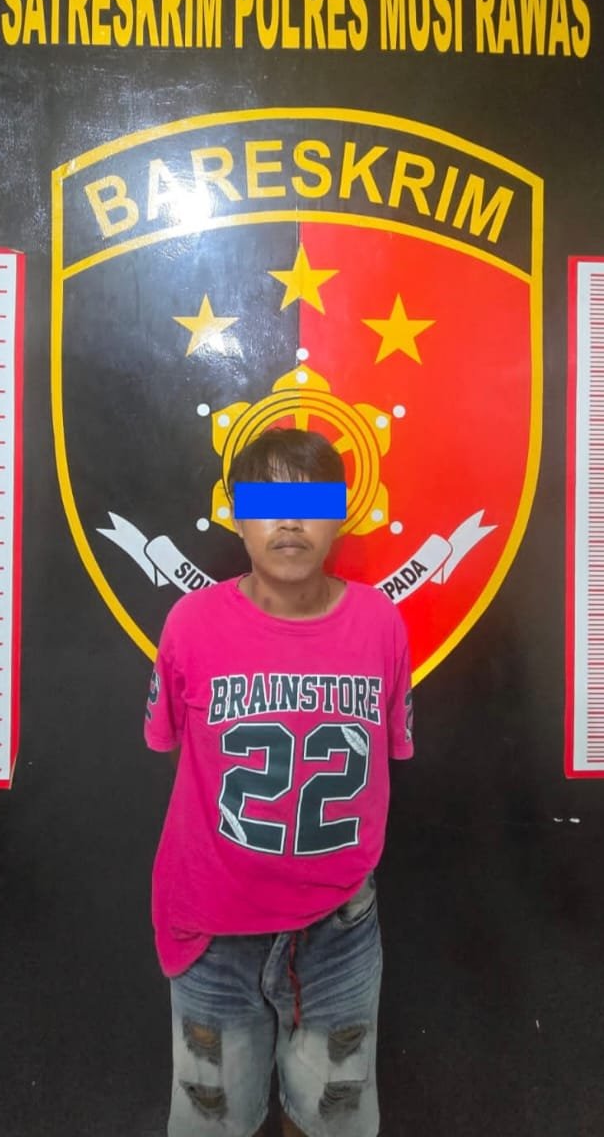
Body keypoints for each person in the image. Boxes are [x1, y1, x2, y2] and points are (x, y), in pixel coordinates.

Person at [145, 428, 414, 1137]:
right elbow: (182, 753)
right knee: (212, 1123)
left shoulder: (381, 624)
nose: (289, 521)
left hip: (339, 927)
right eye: (265, 502)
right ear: (235, 515)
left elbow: (385, 753)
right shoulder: (190, 624)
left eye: (312, 501)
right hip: (212, 925)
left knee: (330, 1122)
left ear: (341, 515)